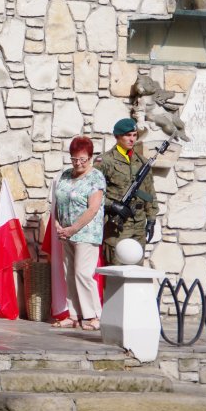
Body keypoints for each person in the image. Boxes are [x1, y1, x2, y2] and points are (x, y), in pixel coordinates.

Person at [49, 136, 105, 330]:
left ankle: (95, 315)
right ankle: (74, 315)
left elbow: (93, 208)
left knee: (83, 274)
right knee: (70, 274)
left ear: (90, 157)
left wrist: (73, 228)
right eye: (74, 158)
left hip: (86, 233)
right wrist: (57, 224)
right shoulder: (65, 175)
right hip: (66, 233)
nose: (78, 163)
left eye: (82, 159)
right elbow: (58, 202)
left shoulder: (96, 177)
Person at [95, 118, 158, 265]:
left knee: (137, 271)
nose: (132, 139)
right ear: (117, 136)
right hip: (118, 227)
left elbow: (149, 193)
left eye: (134, 135)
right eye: (128, 135)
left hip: (139, 225)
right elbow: (91, 193)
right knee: (116, 271)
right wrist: (112, 205)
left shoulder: (142, 162)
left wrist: (151, 219)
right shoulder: (104, 161)